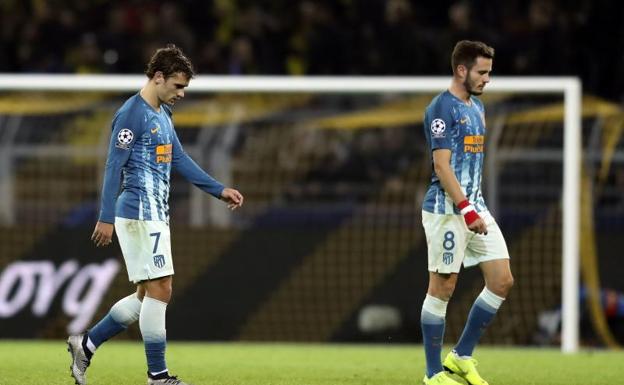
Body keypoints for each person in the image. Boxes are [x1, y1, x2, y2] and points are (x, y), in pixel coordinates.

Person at [67, 44, 244, 385]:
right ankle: (157, 376)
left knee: (146, 296)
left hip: (154, 214)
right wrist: (105, 216)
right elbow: (112, 166)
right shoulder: (131, 114)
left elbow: (178, 158)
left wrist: (218, 189)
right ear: (158, 77)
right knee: (162, 288)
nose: (181, 93)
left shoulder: (163, 114)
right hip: (137, 212)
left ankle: (85, 345)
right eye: (178, 86)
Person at [420, 40, 514, 385]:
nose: (488, 79)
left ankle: (460, 357)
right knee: (443, 288)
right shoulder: (440, 109)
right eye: (482, 72)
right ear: (462, 70)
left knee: (502, 280)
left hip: (475, 207)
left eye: (488, 72)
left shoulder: (477, 108)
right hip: (448, 210)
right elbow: (442, 167)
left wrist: (474, 207)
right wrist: (465, 208)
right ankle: (432, 375)